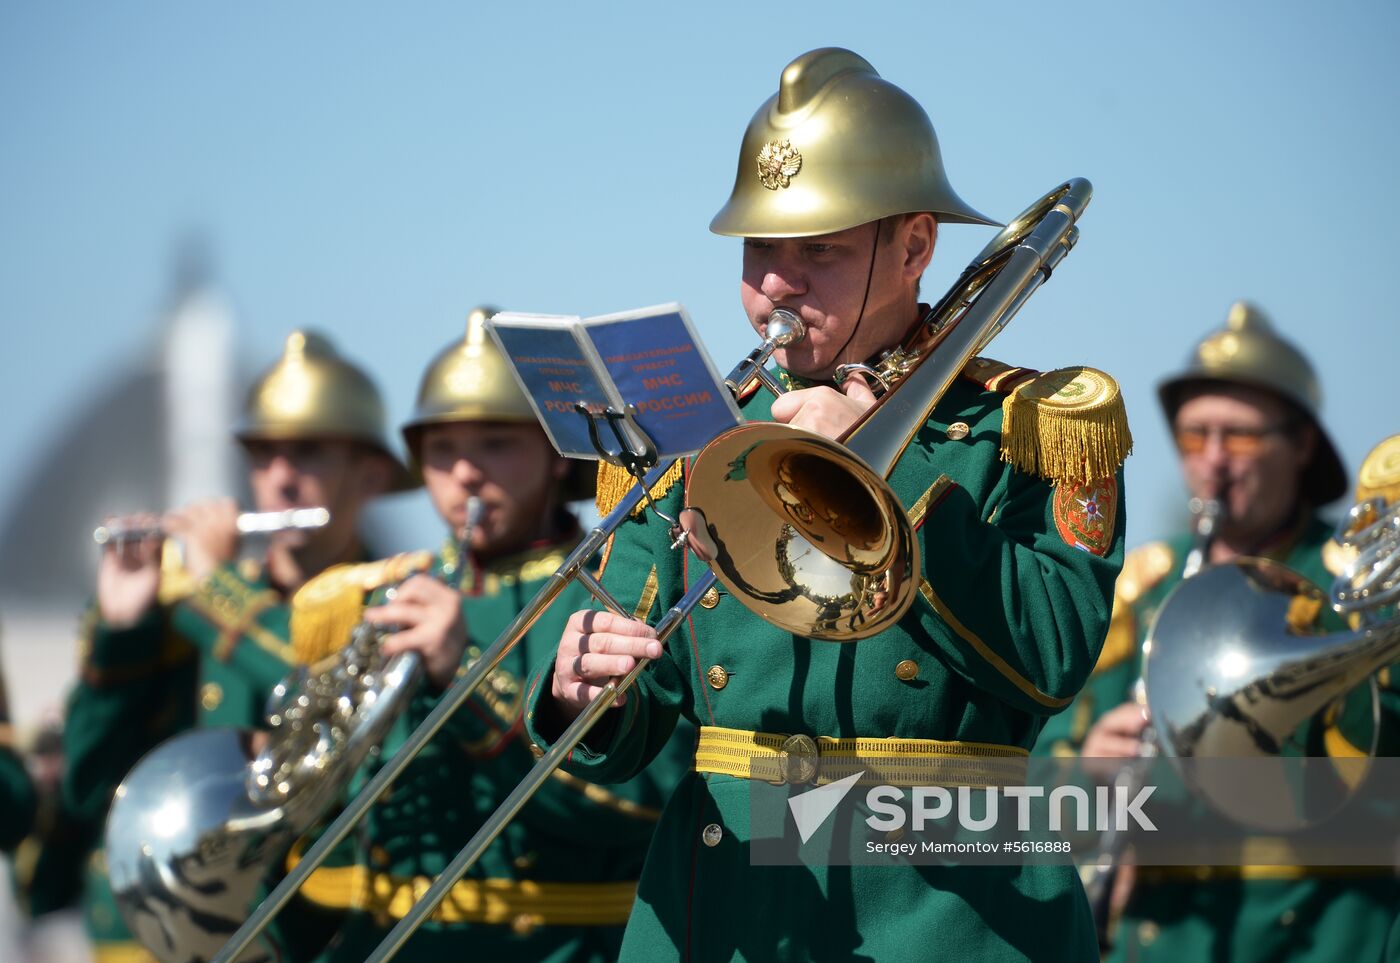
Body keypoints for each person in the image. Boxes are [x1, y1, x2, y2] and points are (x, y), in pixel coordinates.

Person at [522, 48, 1130, 961]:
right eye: (759, 248)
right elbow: (646, 702)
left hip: (948, 912)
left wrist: (893, 474)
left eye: (820, 251)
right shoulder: (697, 426)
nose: (775, 283)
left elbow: (1053, 658)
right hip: (723, 907)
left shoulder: (1033, 421)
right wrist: (586, 692)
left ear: (916, 246)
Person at [286, 308, 690, 961]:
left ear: (558, 457)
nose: (465, 472)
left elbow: (634, 807)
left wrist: (467, 672)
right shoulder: (371, 594)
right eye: (442, 449)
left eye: (495, 443)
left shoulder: (611, 584)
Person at [1036, 303, 1400, 960]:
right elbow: (1041, 775)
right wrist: (1089, 763)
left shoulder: (1357, 588)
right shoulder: (1144, 587)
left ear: (1303, 444)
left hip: (1320, 936)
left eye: (1238, 436)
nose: (1212, 462)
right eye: (1193, 435)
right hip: (1165, 938)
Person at [56, 330, 411, 962]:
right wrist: (123, 630)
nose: (280, 478)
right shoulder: (186, 604)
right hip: (203, 929)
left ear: (373, 473)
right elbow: (90, 786)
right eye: (262, 454)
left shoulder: (396, 597)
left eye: (308, 454)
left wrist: (213, 588)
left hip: (337, 933)